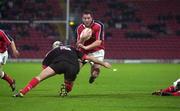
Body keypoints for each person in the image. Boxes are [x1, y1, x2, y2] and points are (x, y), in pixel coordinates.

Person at [13, 42, 111, 97]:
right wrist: (103, 63)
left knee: (39, 77)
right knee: (68, 83)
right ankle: (65, 90)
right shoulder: (72, 48)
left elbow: (44, 67)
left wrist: (53, 70)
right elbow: (89, 58)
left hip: (58, 64)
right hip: (73, 66)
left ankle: (23, 92)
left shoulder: (53, 51)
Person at [76, 10, 105, 84]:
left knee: (95, 71)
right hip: (83, 52)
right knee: (75, 69)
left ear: (92, 18)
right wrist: (82, 39)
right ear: (82, 19)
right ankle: (68, 84)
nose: (86, 20)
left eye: (88, 18)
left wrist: (87, 47)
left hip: (97, 51)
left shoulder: (99, 25)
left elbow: (99, 42)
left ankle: (93, 77)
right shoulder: (79, 28)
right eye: (84, 18)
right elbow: (78, 44)